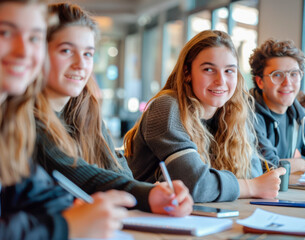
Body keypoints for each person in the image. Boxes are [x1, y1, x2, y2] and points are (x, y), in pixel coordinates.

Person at [34, 2, 193, 216]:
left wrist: (155, 192)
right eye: (66, 51)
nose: (81, 64)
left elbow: (121, 173)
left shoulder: (86, 110)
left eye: (88, 54)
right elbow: (75, 171)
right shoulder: (25, 116)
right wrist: (147, 194)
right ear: (38, 53)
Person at [0, 0, 136, 239]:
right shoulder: (26, 118)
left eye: (33, 38)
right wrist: (65, 225)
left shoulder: (9, 117)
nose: (24, 51)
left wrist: (70, 211)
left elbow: (36, 192)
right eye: (5, 33)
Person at [124, 30, 286, 203]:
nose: (221, 81)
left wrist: (250, 183)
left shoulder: (234, 111)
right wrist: (251, 187)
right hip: (147, 222)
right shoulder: (166, 107)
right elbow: (193, 184)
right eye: (209, 69)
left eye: (229, 71)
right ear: (187, 72)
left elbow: (252, 173)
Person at [249, 39, 305, 173]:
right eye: (277, 75)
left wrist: (303, 163)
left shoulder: (299, 115)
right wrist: (299, 164)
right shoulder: (248, 114)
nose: (288, 83)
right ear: (260, 81)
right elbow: (269, 166)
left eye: (294, 74)